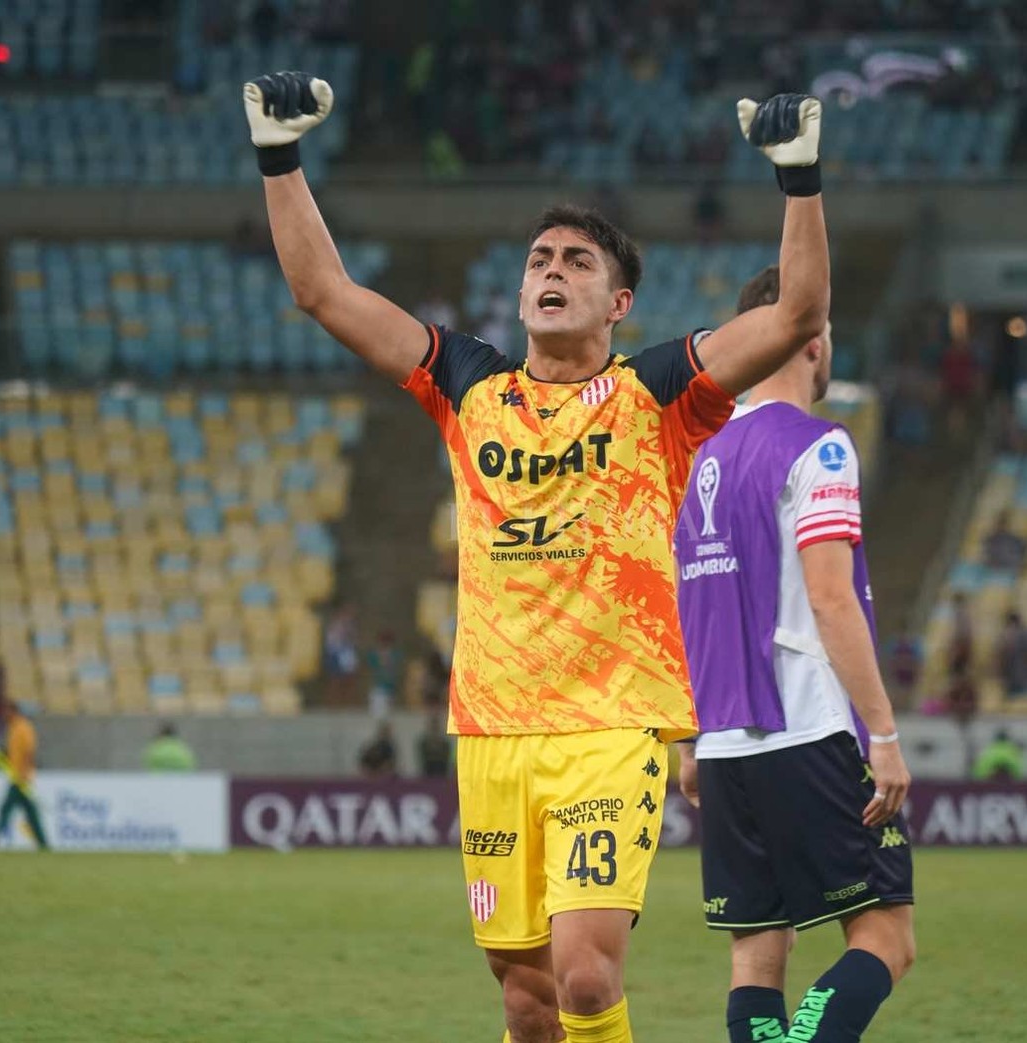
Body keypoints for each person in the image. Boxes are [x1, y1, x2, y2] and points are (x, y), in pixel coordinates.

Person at [248, 70, 829, 1043]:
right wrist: (277, 154)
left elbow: (793, 316)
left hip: (613, 726)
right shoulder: (465, 382)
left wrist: (797, 178)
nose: (551, 269)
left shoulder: (660, 392)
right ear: (520, 291)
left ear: (618, 302)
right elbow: (320, 290)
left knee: (587, 977)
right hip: (491, 728)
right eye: (538, 258)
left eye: (576, 260)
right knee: (524, 1001)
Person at [673, 266, 914, 1043]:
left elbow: (682, 606)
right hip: (808, 727)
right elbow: (830, 597)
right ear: (813, 340)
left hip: (720, 744)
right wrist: (882, 733)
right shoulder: (820, 446)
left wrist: (684, 736)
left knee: (757, 951)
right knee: (883, 938)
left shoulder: (698, 459)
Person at [0, 700, 49, 851]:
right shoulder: (13, 728)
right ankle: (44, 844)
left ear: (13, 711)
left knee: (6, 809)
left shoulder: (23, 728)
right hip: (17, 776)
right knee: (31, 813)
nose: (4, 715)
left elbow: (29, 752)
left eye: (6, 711)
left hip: (21, 778)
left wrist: (24, 773)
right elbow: (13, 753)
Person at [994, 610, 1027, 699]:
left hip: (1012, 676)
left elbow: (999, 656)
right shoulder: (1025, 634)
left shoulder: (1004, 634)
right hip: (1020, 675)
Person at [417, 710, 452, 778]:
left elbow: (446, 759)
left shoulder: (445, 744)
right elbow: (423, 758)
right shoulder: (423, 743)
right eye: (433, 725)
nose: (434, 727)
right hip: (428, 772)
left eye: (436, 725)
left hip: (442, 773)